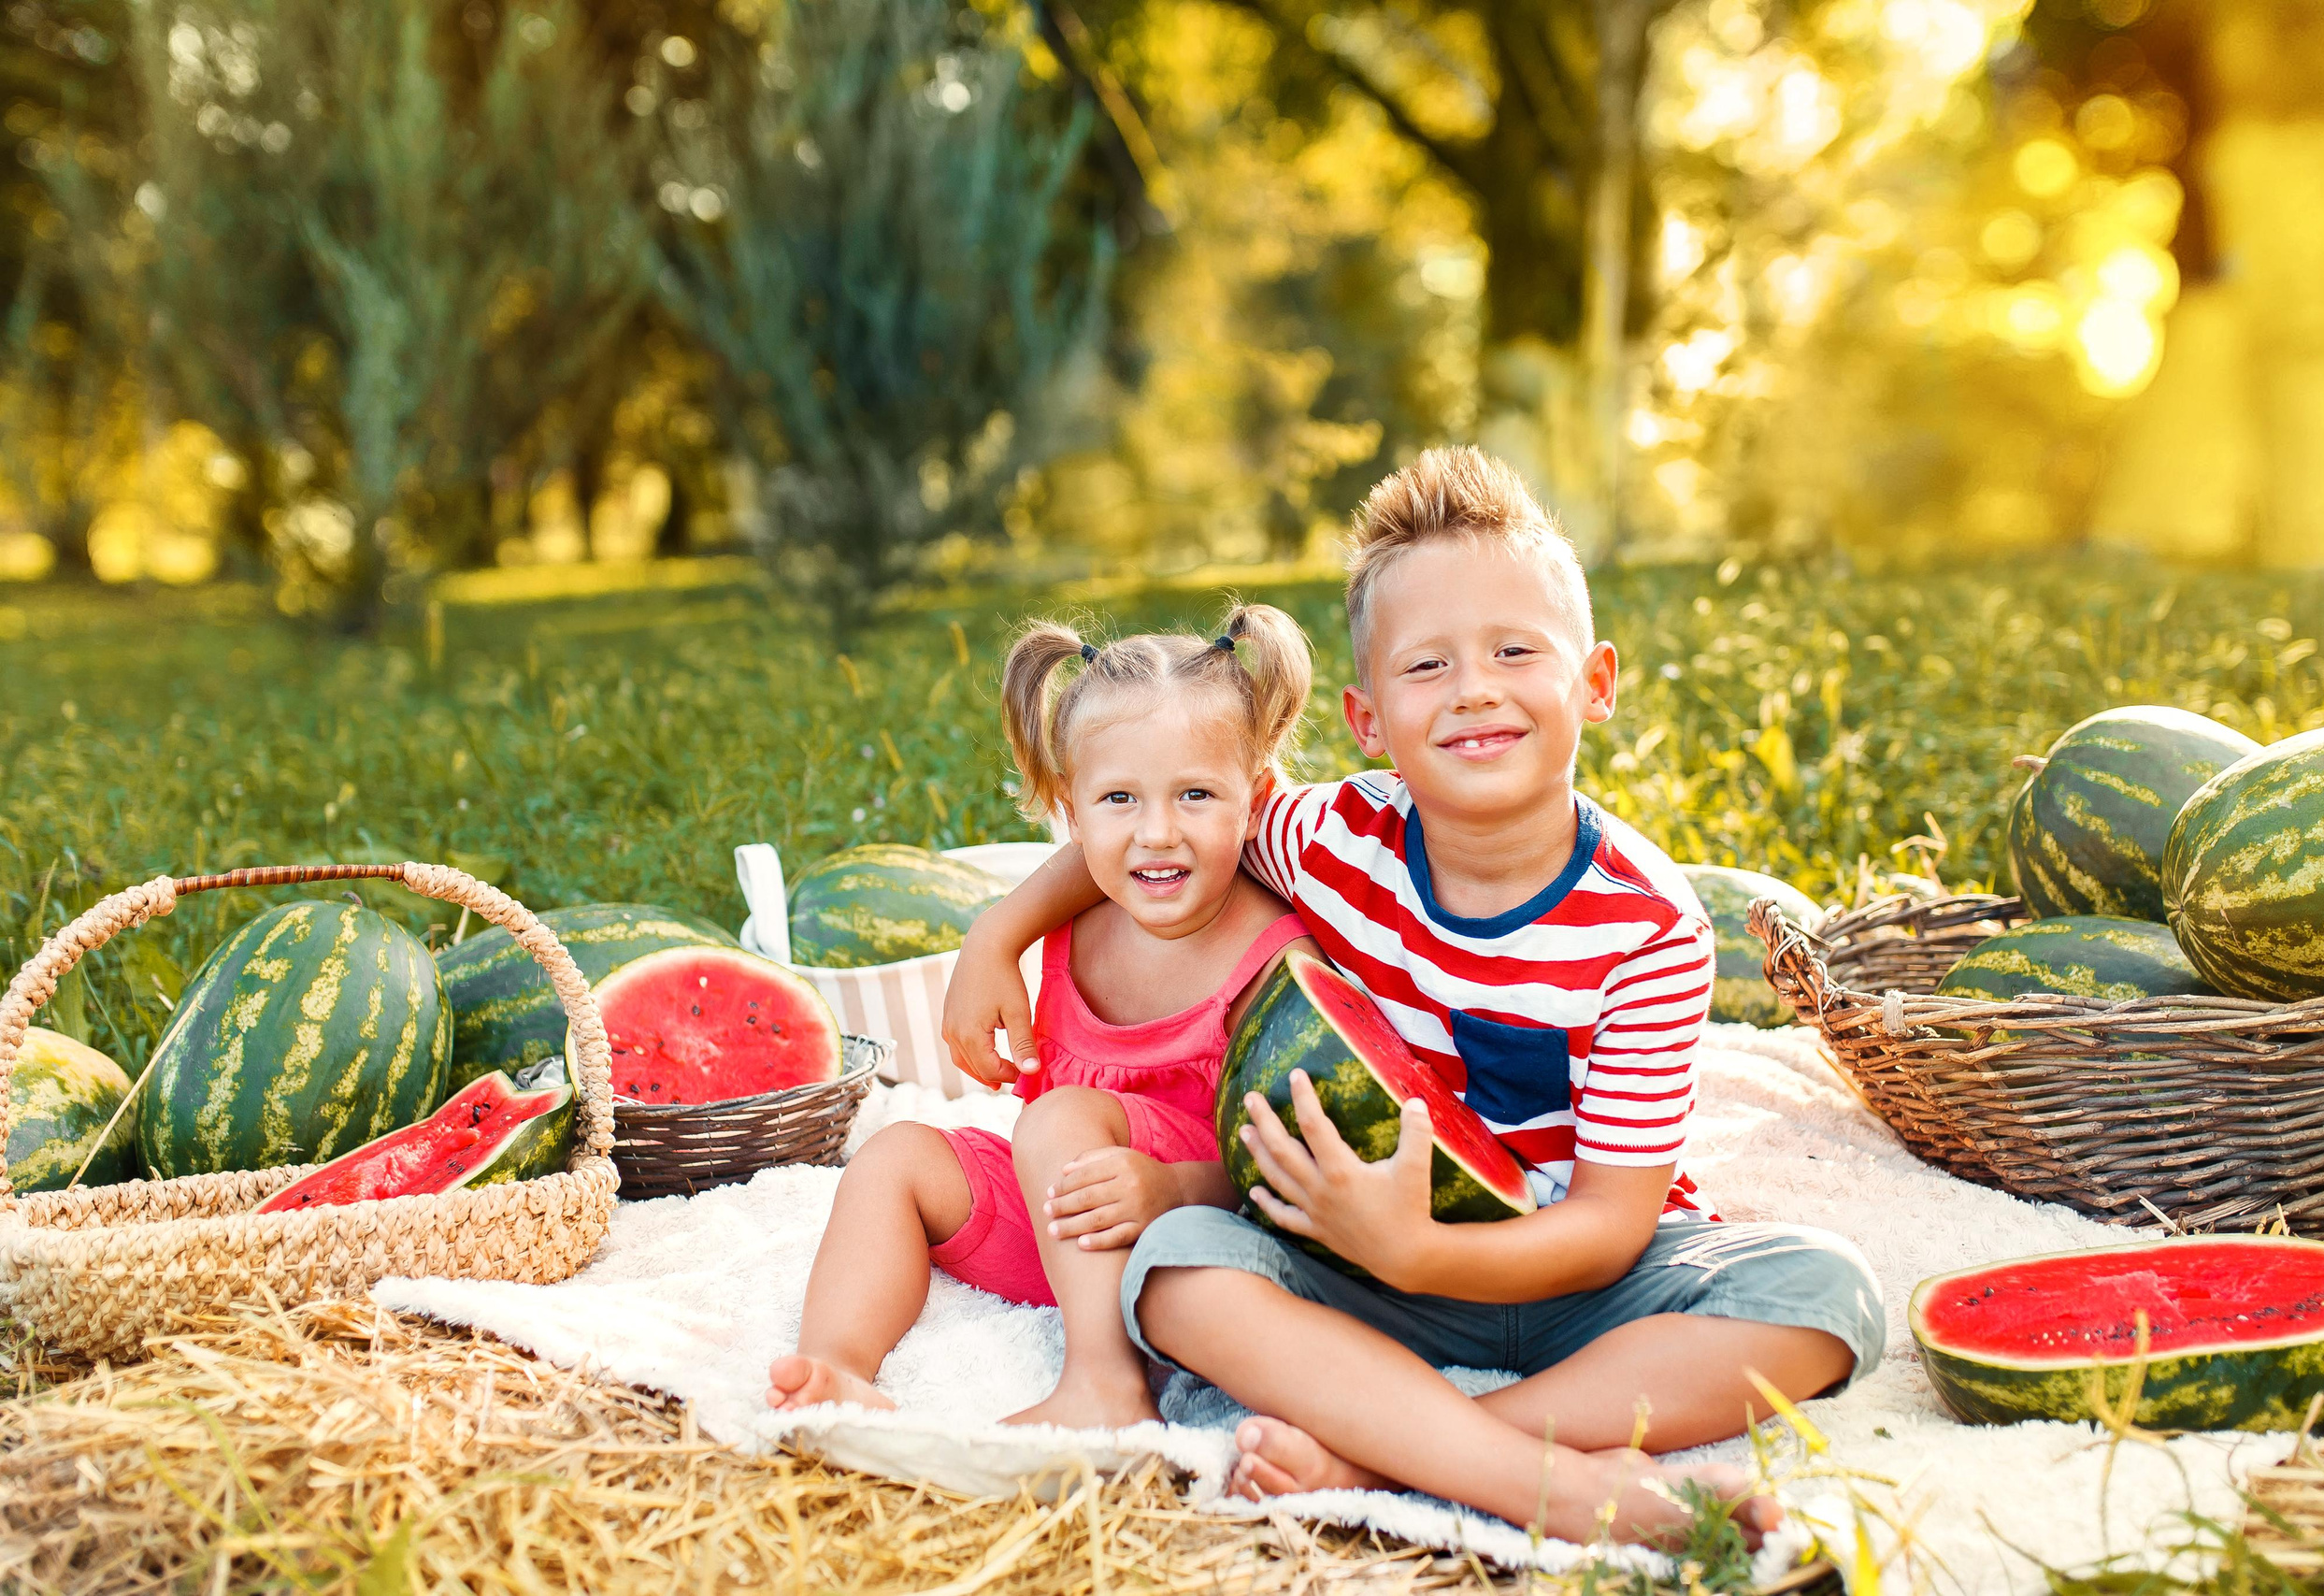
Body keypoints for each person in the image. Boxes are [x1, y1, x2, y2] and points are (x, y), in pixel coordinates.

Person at [943, 447, 1886, 1545]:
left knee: (1824, 1295)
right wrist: (996, 934)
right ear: (1366, 719)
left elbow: (1608, 1224)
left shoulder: (1649, 926)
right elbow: (1173, 822)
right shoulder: (1335, 836)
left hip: (1586, 1281)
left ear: (1595, 682)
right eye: (1426, 667)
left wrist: (1422, 1252)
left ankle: (1401, 1454)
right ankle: (1548, 1481)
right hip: (1365, 1261)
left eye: (1514, 651)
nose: (1475, 688)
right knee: (1174, 1269)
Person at [769, 604, 1321, 1429]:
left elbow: (1295, 1166)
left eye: (1197, 794)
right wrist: (990, 938)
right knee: (896, 1155)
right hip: (1065, 1214)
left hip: (1208, 1236)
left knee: (1063, 1116)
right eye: (1120, 798)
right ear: (1071, 805)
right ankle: (836, 1364)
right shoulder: (1075, 911)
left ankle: (1105, 1384)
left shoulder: (1280, 960)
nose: (1156, 832)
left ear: (1258, 799)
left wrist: (1172, 1187)